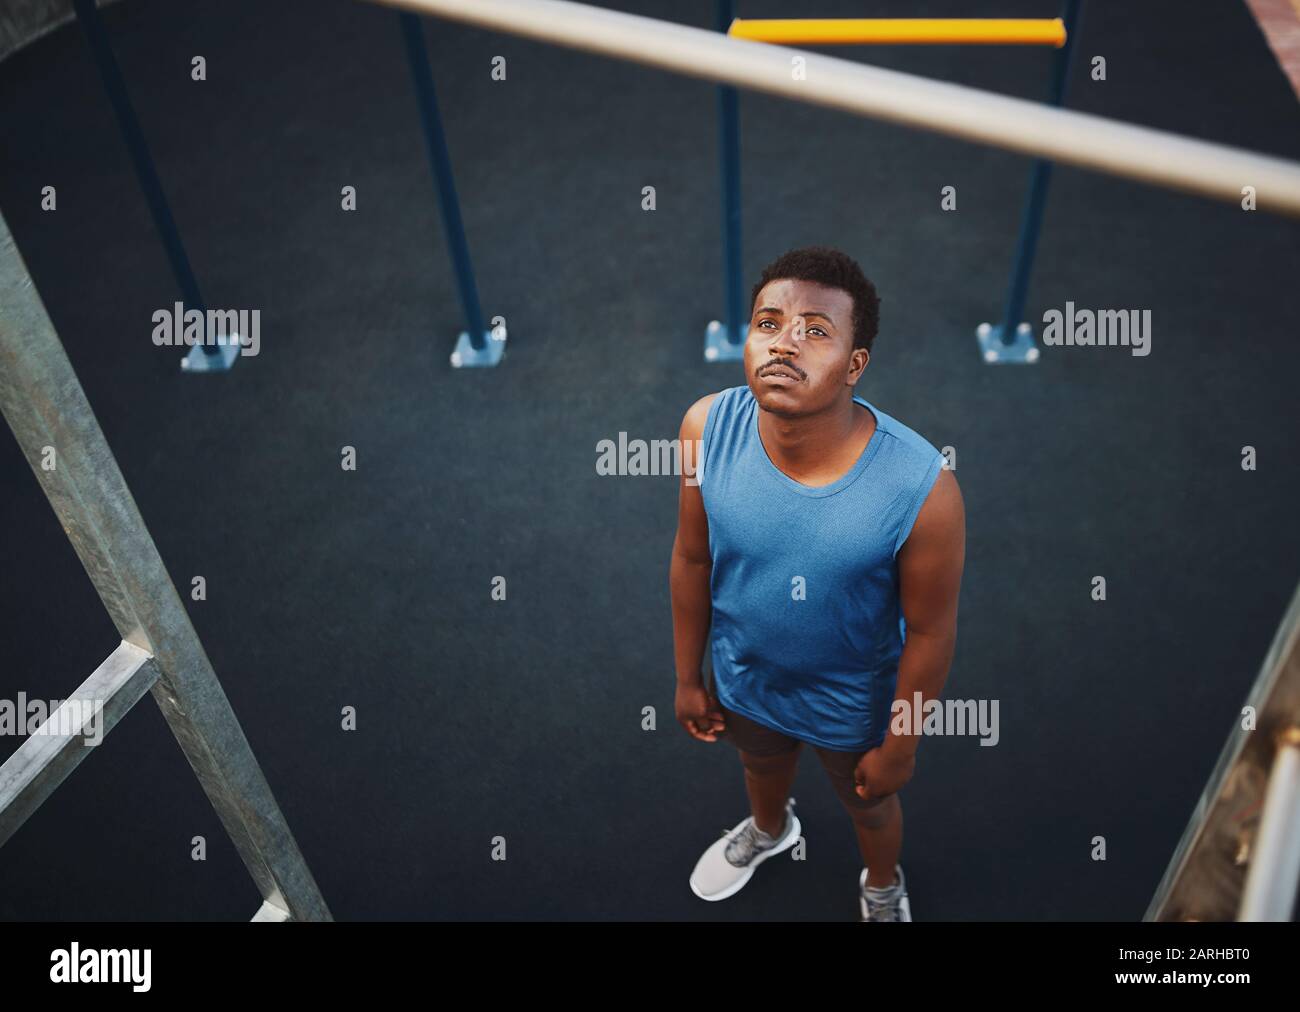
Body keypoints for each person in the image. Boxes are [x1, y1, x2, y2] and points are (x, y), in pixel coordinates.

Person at [670, 246, 965, 921]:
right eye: (769, 323)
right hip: (744, 675)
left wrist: (902, 743)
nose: (784, 344)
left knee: (870, 804)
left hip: (849, 699)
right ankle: (773, 833)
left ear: (855, 366)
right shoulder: (703, 428)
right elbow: (691, 559)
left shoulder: (925, 489)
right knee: (761, 770)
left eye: (816, 331)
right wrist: (689, 678)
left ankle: (882, 886)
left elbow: (930, 632)